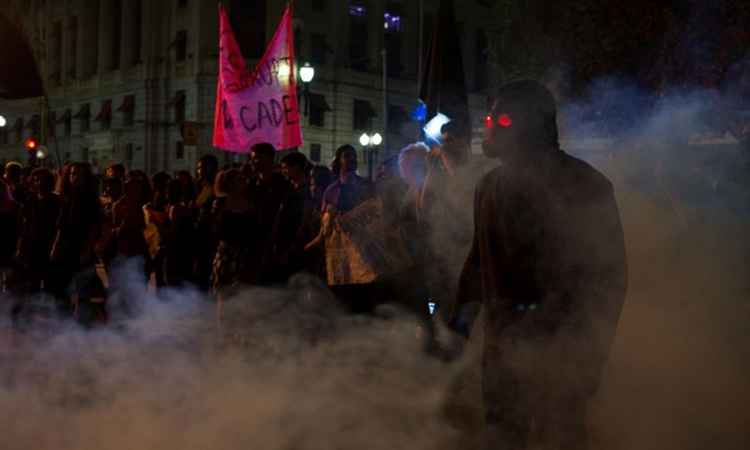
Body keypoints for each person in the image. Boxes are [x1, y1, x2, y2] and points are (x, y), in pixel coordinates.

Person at [454, 80, 628, 450]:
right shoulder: (489, 187)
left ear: (526, 126)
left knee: (559, 437)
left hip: (562, 354)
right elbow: (478, 264)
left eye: (498, 119)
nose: (489, 125)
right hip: (504, 353)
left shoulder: (585, 186)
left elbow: (609, 278)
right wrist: (457, 330)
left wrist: (589, 356)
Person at [49, 162, 104, 322]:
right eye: (72, 174)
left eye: (79, 174)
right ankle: (64, 322)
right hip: (65, 248)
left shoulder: (91, 200)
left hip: (81, 247)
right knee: (62, 288)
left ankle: (83, 325)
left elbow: (94, 227)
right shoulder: (66, 198)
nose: (75, 177)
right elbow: (61, 226)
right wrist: (55, 246)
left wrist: (87, 250)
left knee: (83, 289)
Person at [210, 169, 255, 309]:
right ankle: (223, 328)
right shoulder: (221, 203)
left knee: (243, 295)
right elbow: (214, 229)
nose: (243, 181)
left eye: (243, 178)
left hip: (245, 253)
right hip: (227, 252)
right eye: (238, 179)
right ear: (229, 183)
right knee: (224, 294)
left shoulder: (250, 201)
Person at [246, 143, 290, 284]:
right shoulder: (251, 184)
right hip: (253, 245)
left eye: (257, 158)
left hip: (276, 244)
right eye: (252, 158)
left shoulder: (283, 185)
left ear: (269, 159)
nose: (252, 162)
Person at [194, 154, 219, 291]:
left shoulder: (217, 188)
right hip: (200, 239)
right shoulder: (202, 187)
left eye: (201, 167)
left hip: (210, 240)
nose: (199, 171)